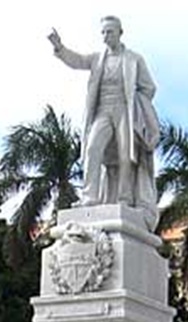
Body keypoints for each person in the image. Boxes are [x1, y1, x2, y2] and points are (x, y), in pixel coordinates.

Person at [48, 16, 160, 229]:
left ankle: (124, 198)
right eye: (103, 32)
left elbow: (149, 87)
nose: (106, 36)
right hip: (102, 111)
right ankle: (90, 197)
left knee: (126, 154)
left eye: (109, 32)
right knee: (92, 149)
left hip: (124, 110)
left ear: (120, 33)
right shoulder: (97, 59)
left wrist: (137, 103)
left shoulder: (134, 59)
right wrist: (60, 48)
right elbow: (77, 61)